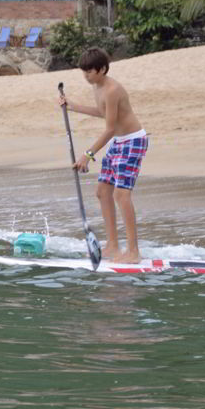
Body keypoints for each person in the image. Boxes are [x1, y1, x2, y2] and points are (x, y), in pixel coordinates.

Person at [57, 47, 148, 263]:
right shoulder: (98, 87)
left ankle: (133, 251)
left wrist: (87, 155)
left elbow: (109, 128)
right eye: (84, 72)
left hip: (133, 141)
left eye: (90, 72)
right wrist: (72, 107)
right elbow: (103, 113)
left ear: (102, 69)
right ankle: (113, 246)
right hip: (118, 141)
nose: (86, 76)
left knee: (121, 195)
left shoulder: (112, 89)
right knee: (102, 192)